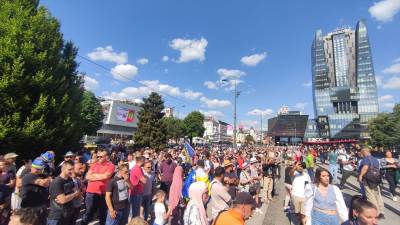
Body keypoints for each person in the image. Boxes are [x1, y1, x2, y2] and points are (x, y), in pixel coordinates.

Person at [82, 149, 115, 225]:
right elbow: (87, 176)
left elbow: (106, 176)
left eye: (101, 157)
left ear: (106, 157)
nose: (99, 158)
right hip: (91, 192)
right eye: (98, 156)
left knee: (102, 214)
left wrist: (94, 175)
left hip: (103, 193)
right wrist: (101, 176)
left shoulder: (111, 165)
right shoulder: (94, 164)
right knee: (88, 212)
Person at [47, 160, 81, 225]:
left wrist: (68, 197)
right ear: (63, 169)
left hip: (68, 214)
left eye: (73, 169)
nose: (72, 171)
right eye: (70, 169)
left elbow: (78, 194)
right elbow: (63, 200)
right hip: (57, 217)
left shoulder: (70, 179)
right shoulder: (57, 182)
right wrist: (73, 194)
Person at [357, 147, 384, 219]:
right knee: (377, 195)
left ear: (364, 152)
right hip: (376, 179)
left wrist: (360, 176)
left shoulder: (366, 159)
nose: (361, 154)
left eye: (362, 153)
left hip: (368, 179)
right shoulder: (375, 159)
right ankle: (381, 211)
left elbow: (365, 167)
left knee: (370, 196)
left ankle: (376, 213)